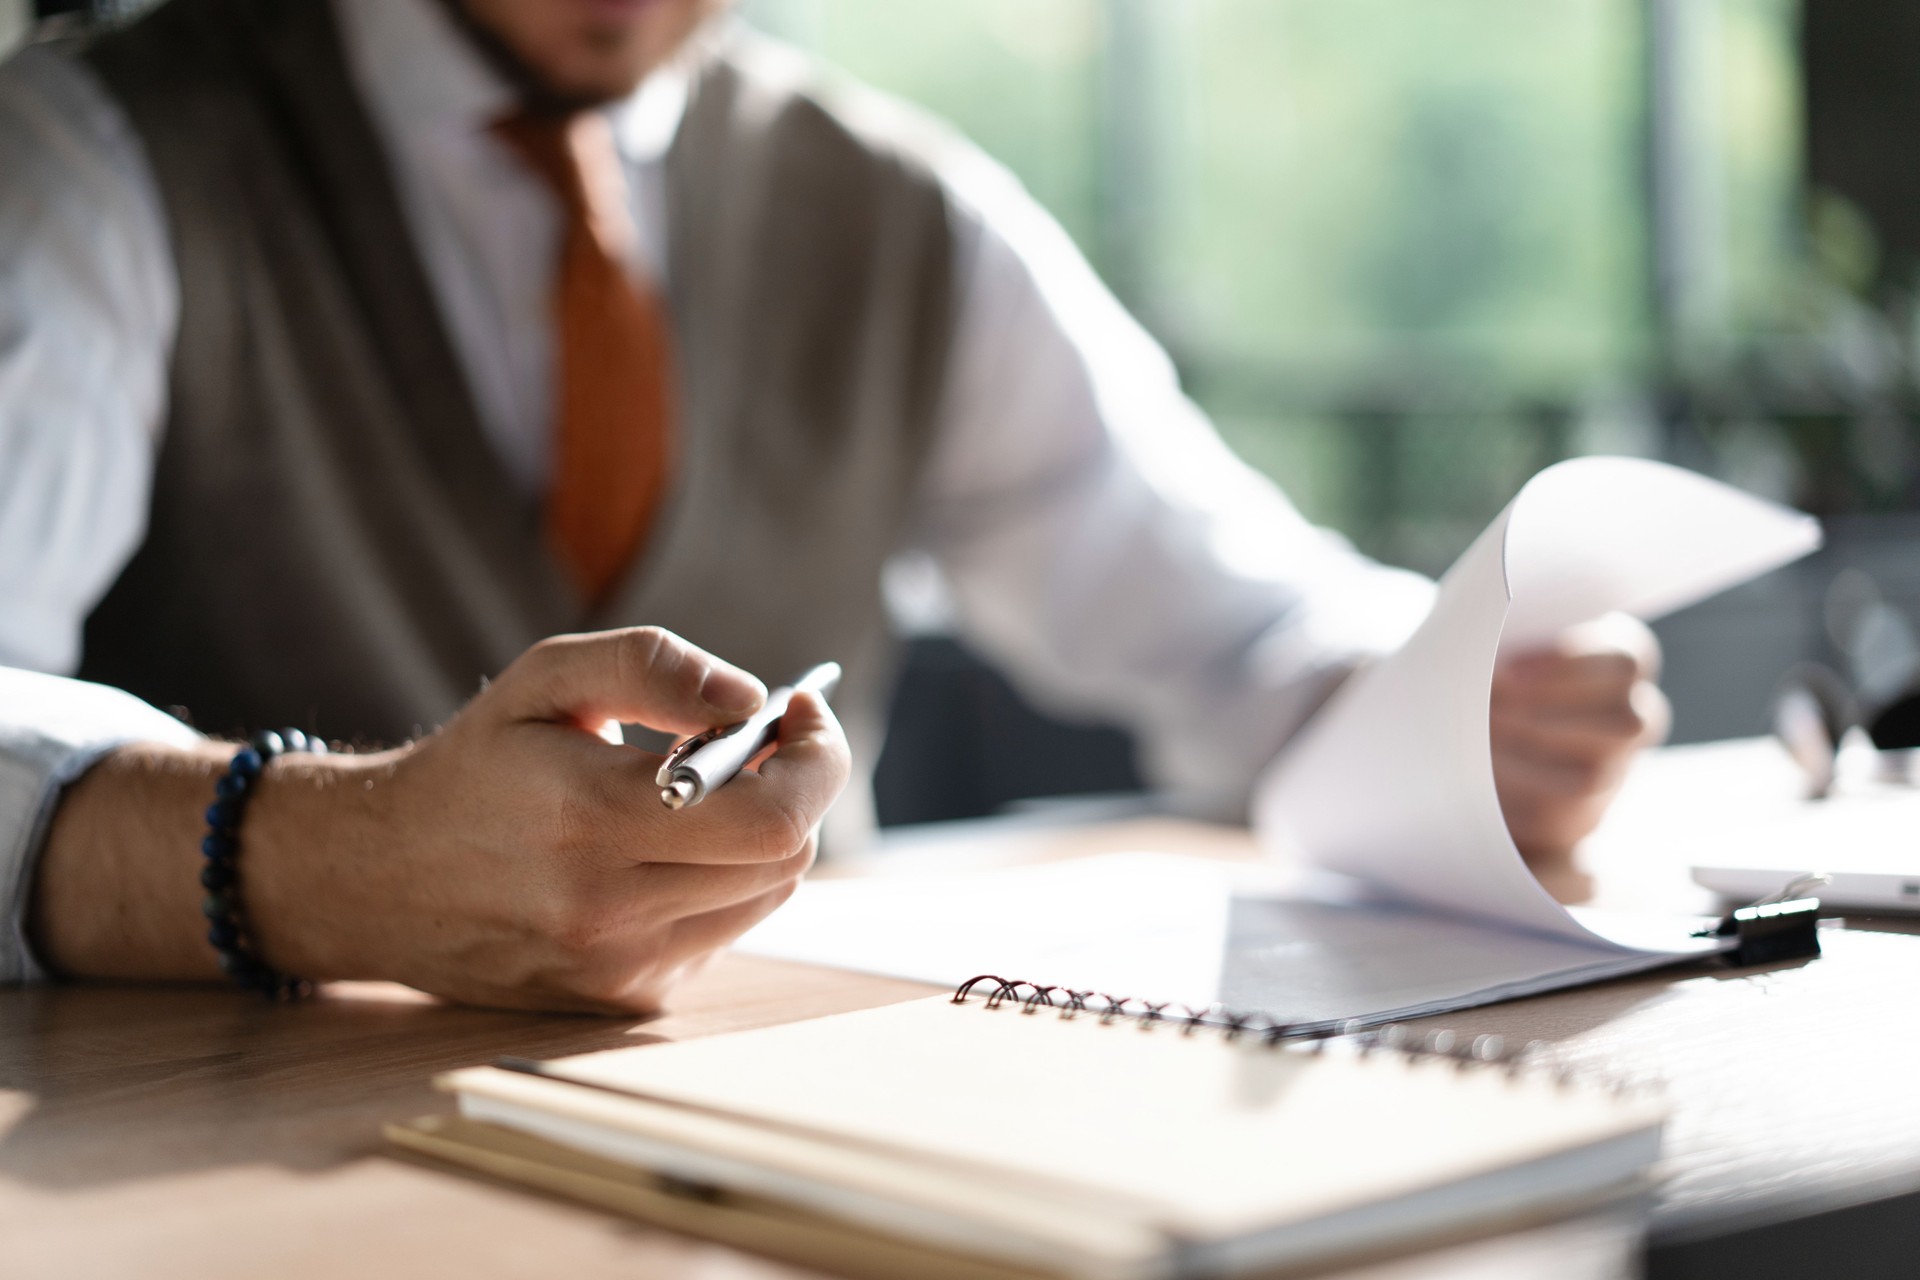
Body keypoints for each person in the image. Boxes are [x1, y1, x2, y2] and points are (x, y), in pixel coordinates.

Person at [0, 0, 1666, 1013]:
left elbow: (1230, 617)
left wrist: (1447, 702)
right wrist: (327, 865)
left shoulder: (898, 210)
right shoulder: (93, 158)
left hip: (793, 1161)